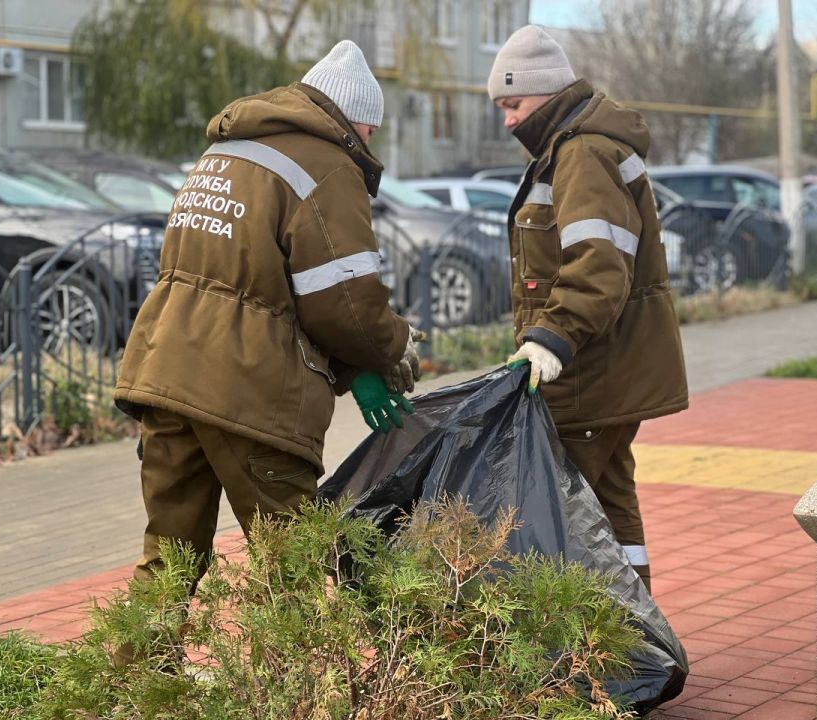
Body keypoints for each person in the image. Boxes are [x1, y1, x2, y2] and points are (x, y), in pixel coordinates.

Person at [114, 40, 419, 600]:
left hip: (165, 372)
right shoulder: (327, 166)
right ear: (354, 119)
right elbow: (344, 304)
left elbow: (254, 283)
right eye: (371, 129)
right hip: (245, 390)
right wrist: (391, 346)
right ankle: (297, 663)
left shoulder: (225, 152)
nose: (370, 141)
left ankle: (142, 658)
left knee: (169, 558)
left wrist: (356, 369)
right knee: (293, 564)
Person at [488, 26, 689, 591]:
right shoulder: (578, 148)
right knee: (610, 505)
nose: (508, 120)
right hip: (609, 375)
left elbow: (599, 266)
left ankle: (587, 634)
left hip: (587, 378)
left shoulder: (581, 154)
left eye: (513, 104)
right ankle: (634, 634)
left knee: (556, 514)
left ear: (545, 92)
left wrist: (551, 338)